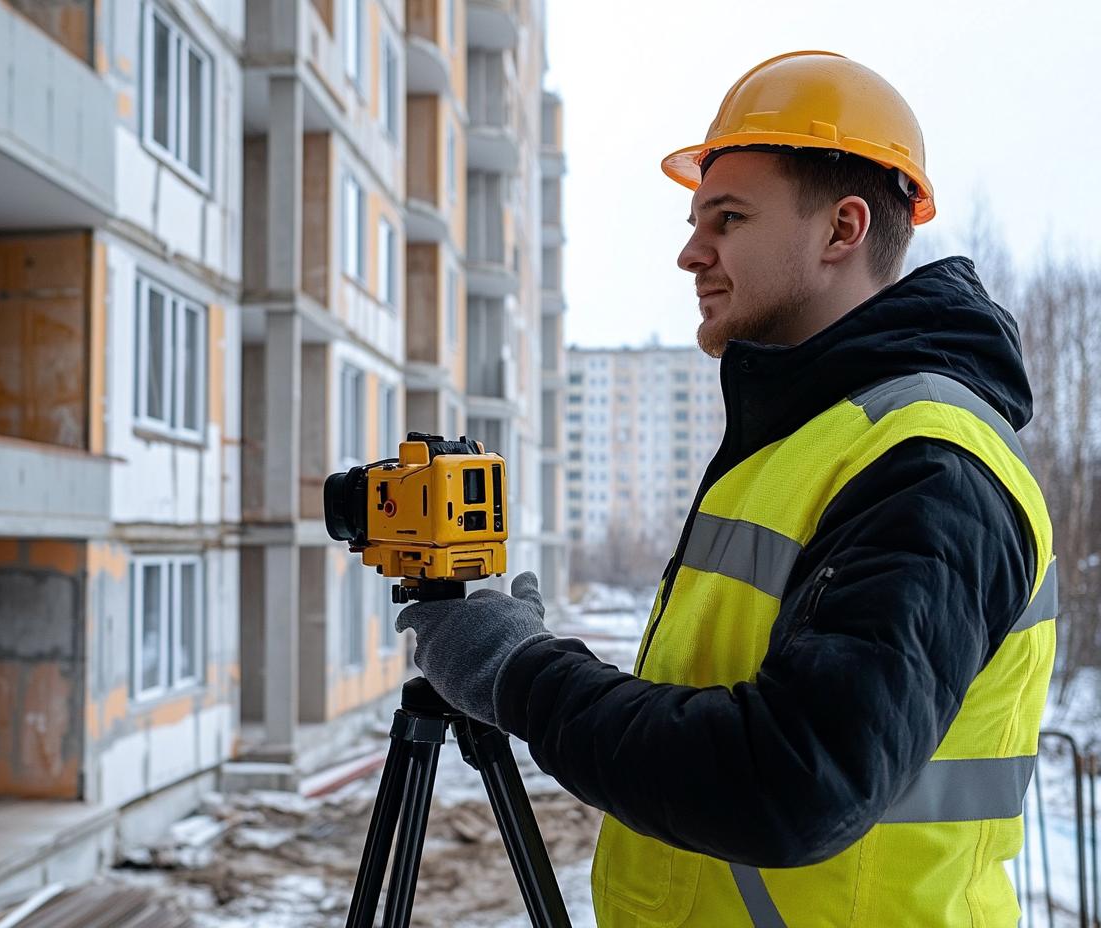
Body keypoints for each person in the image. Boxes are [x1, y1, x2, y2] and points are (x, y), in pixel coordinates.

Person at [397, 51, 1056, 926]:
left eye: (728, 217)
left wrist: (520, 673)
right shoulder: (802, 446)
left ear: (842, 228)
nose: (689, 252)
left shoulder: (930, 465)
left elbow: (793, 778)